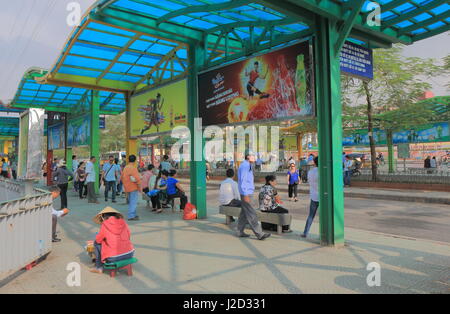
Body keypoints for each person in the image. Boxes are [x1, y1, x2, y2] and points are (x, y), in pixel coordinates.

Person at [90, 207, 135, 274]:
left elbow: (98, 240)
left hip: (113, 257)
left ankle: (99, 267)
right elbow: (128, 235)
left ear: (103, 217)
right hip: (130, 253)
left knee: (96, 243)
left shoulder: (105, 224)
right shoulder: (123, 222)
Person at [237, 152, 270, 240]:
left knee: (244, 213)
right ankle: (259, 233)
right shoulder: (245, 166)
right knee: (251, 213)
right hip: (246, 193)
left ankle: (239, 231)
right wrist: (245, 194)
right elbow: (243, 180)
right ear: (248, 157)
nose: (255, 157)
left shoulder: (248, 165)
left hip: (247, 192)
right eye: (253, 156)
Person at [302, 156, 319, 238]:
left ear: (314, 163)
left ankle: (305, 232)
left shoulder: (310, 172)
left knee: (311, 215)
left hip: (313, 196)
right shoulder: (322, 172)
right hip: (322, 197)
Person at [122, 155, 142, 221]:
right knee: (133, 202)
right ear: (135, 160)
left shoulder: (125, 168)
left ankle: (134, 214)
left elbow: (122, 177)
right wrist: (140, 188)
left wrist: (125, 186)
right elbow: (137, 179)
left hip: (127, 187)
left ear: (128, 160)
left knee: (131, 201)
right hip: (133, 187)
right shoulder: (133, 168)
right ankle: (131, 216)